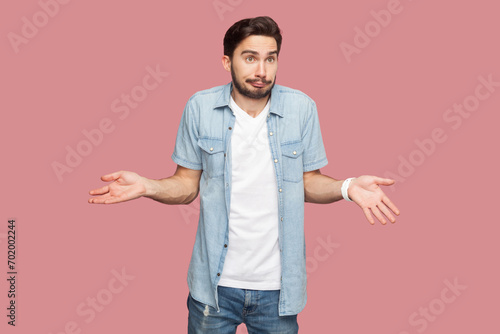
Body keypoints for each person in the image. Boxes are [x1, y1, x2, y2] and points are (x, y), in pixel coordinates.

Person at [88, 16, 400, 334]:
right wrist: (146, 186)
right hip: (213, 288)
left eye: (270, 58)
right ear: (227, 61)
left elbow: (307, 182)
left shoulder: (301, 109)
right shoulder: (199, 107)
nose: (261, 71)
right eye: (250, 58)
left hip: (278, 292)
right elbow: (185, 185)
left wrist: (347, 187)